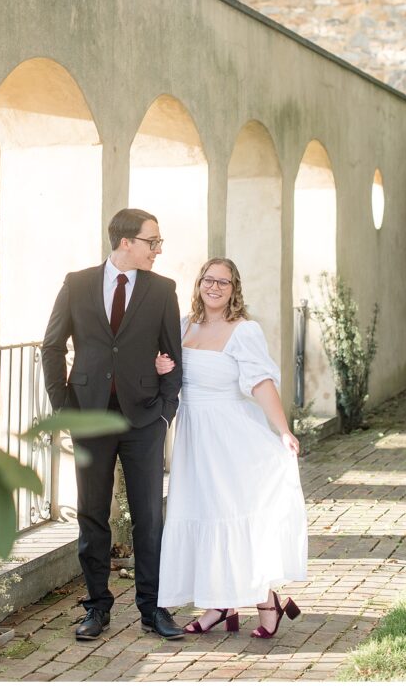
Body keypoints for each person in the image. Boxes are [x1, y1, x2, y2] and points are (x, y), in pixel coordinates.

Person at [42, 208, 185, 641]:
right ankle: (97, 608)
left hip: (144, 419)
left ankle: (153, 609)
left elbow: (173, 355)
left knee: (149, 517)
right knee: (92, 515)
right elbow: (52, 346)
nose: (158, 249)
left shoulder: (163, 290)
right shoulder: (78, 283)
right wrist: (64, 405)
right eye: (152, 241)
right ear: (126, 242)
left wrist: (165, 410)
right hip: (90, 415)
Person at [155, 257, 308, 637]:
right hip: (193, 437)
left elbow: (261, 383)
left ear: (234, 288)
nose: (215, 287)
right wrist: (161, 366)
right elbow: (173, 373)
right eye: (209, 280)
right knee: (203, 512)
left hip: (231, 436)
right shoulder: (184, 325)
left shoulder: (245, 331)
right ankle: (219, 604)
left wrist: (284, 430)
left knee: (233, 513)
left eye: (224, 282)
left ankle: (265, 600)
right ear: (199, 284)